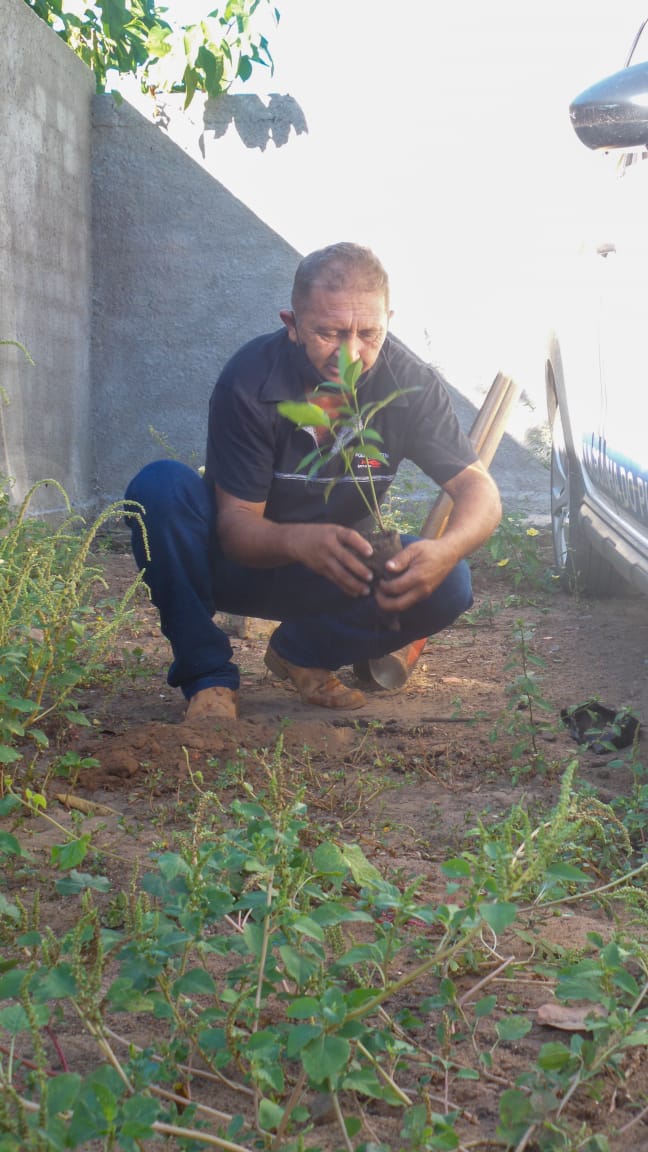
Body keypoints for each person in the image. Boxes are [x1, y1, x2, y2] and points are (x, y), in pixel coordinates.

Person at [125, 242, 502, 721]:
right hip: (231, 564)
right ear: (292, 325)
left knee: (453, 582)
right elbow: (237, 528)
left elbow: (481, 493)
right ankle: (208, 677)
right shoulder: (249, 380)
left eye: (369, 333)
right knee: (159, 488)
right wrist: (299, 540)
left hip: (338, 570)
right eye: (329, 333)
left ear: (390, 319)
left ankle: (303, 652)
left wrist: (445, 551)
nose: (351, 354)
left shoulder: (410, 386)